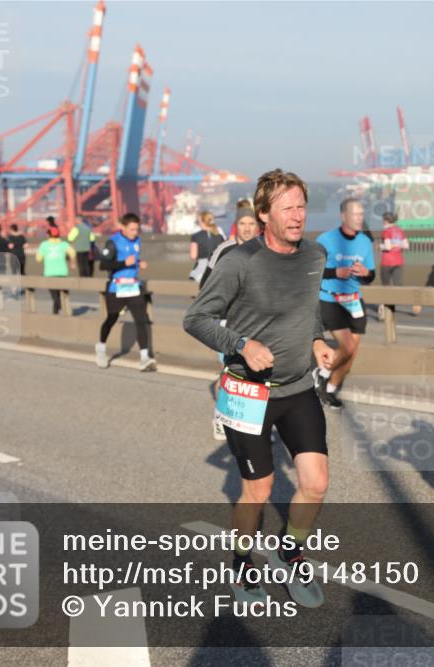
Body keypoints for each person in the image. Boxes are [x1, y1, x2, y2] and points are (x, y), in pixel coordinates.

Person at [183, 168, 334, 609]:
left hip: (298, 387)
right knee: (259, 490)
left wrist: (318, 339)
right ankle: (244, 561)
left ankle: (289, 552)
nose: (297, 215)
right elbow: (196, 319)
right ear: (264, 213)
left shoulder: (315, 255)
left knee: (317, 483)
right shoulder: (239, 262)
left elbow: (308, 309)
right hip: (249, 392)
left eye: (302, 206)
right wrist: (242, 345)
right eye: (287, 208)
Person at [198, 204, 261, 442]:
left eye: (251, 224)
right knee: (230, 372)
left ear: (258, 226)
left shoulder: (264, 249)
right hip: (226, 321)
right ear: (237, 225)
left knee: (257, 374)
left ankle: (254, 425)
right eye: (243, 224)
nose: (247, 229)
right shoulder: (224, 249)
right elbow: (205, 284)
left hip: (256, 322)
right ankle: (220, 417)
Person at [313, 197, 375, 409]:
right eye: (355, 214)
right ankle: (321, 373)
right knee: (347, 346)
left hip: (354, 300)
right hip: (330, 299)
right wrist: (335, 272)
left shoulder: (365, 242)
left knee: (352, 353)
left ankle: (329, 388)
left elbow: (371, 276)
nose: (359, 218)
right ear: (343, 216)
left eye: (361, 214)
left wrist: (366, 273)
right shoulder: (326, 239)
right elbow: (312, 271)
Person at [96, 213, 157, 372]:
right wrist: (125, 263)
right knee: (111, 318)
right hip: (116, 287)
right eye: (131, 229)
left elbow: (133, 259)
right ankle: (101, 348)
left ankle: (144, 358)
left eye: (137, 229)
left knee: (141, 319)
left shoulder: (137, 240)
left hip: (133, 286)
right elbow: (103, 265)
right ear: (122, 227)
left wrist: (139, 263)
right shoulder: (113, 242)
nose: (134, 232)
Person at [378, 211, 417, 319]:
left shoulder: (386, 231)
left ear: (386, 220)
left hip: (387, 262)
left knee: (385, 286)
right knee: (398, 285)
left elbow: (387, 247)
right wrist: (397, 244)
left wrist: (380, 247)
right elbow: (406, 245)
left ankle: (383, 311)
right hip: (399, 261)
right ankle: (413, 302)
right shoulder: (400, 231)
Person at [36, 226, 76, 315]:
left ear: (49, 235)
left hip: (49, 273)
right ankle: (55, 313)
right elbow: (73, 252)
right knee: (62, 293)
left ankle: (61, 308)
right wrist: (72, 262)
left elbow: (38, 259)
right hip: (62, 272)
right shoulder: (63, 244)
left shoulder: (44, 245)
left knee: (55, 295)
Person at [189, 210, 226, 282]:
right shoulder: (220, 237)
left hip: (201, 269)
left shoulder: (196, 236)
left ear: (202, 221)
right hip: (217, 270)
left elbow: (193, 256)